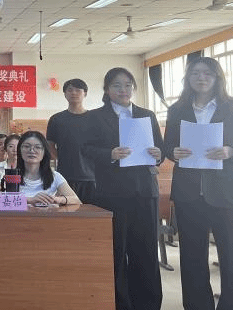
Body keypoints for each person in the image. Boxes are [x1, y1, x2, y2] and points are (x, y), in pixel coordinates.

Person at [83, 67, 163, 310]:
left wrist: (158, 154)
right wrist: (110, 153)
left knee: (146, 250)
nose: (123, 90)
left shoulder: (147, 115)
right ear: (107, 89)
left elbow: (160, 150)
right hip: (113, 193)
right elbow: (86, 149)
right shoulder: (95, 117)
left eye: (128, 85)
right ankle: (120, 302)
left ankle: (148, 303)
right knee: (117, 251)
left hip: (145, 191)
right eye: (117, 85)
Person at [164, 56, 233, 310]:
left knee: (230, 253)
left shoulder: (230, 107)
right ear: (188, 78)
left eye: (207, 73)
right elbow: (168, 145)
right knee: (192, 255)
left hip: (225, 192)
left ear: (217, 78)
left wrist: (229, 151)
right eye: (195, 73)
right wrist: (173, 152)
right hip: (189, 192)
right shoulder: (177, 109)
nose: (201, 78)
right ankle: (197, 305)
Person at [46, 78, 96, 204]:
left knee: (91, 212)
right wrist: (62, 158)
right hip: (65, 177)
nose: (74, 93)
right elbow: (50, 145)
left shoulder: (95, 119)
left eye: (78, 90)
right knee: (67, 212)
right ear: (65, 94)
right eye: (70, 90)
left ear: (85, 93)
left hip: (92, 177)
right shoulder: (56, 119)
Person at [16, 131, 80, 205]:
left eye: (37, 147)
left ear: (44, 152)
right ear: (19, 150)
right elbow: (3, 201)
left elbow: (76, 200)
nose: (32, 150)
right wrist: (30, 200)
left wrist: (58, 199)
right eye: (27, 146)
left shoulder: (55, 176)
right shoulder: (10, 176)